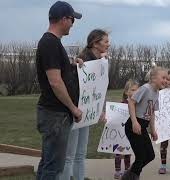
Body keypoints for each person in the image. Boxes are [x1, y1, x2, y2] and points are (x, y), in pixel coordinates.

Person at [35, 1, 82, 180]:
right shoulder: (50, 43)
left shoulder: (52, 43)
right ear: (63, 19)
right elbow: (55, 82)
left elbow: (56, 70)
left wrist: (71, 64)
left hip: (55, 114)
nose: (72, 24)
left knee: (48, 163)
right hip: (56, 115)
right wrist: (73, 108)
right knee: (53, 167)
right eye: (72, 20)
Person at [59, 29, 110, 180]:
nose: (109, 44)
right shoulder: (82, 60)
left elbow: (101, 87)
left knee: (81, 154)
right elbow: (68, 81)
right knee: (69, 156)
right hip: (75, 112)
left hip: (87, 113)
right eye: (106, 41)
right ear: (95, 43)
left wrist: (101, 109)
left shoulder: (101, 62)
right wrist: (74, 66)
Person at [121, 67, 167, 180]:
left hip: (143, 127)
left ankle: (130, 174)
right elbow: (131, 103)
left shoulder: (156, 93)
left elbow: (151, 113)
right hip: (134, 126)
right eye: (163, 77)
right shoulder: (145, 89)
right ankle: (132, 176)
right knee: (141, 156)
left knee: (150, 155)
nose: (165, 80)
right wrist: (134, 122)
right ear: (153, 78)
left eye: (166, 78)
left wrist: (153, 130)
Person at [114, 79, 139, 179]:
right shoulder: (121, 104)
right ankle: (117, 170)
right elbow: (114, 117)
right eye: (132, 90)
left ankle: (127, 170)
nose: (135, 92)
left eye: (137, 90)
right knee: (118, 152)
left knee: (128, 151)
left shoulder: (138, 105)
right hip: (119, 133)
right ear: (126, 92)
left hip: (130, 133)